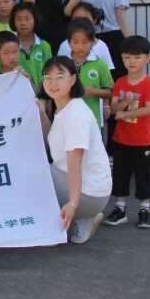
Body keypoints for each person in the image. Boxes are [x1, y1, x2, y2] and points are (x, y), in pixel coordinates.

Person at [39, 57, 112, 245]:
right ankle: (83, 219)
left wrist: (72, 203)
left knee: (34, 169)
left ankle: (59, 225)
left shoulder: (76, 114)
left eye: (59, 77)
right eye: (48, 77)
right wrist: (41, 114)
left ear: (73, 79)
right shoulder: (64, 108)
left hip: (88, 193)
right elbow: (51, 142)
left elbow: (74, 161)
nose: (53, 83)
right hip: (87, 190)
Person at [104, 35, 150, 230]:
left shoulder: (149, 83)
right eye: (127, 57)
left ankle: (145, 210)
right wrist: (125, 103)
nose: (132, 61)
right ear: (122, 58)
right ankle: (120, 208)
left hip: (143, 140)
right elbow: (113, 108)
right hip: (122, 138)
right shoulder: (120, 82)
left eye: (137, 57)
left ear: (147, 59)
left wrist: (125, 113)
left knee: (143, 174)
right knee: (120, 173)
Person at [67, 19, 114, 128]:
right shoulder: (63, 63)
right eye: (75, 42)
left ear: (92, 42)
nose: (80, 46)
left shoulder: (100, 64)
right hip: (68, 119)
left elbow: (110, 91)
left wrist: (93, 91)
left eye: (85, 42)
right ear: (69, 42)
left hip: (92, 119)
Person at [56, 3, 115, 70]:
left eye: (85, 19)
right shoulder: (65, 45)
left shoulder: (101, 46)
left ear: (94, 21)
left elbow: (108, 71)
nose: (81, 23)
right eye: (77, 19)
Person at [11, 2, 52, 87]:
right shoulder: (10, 46)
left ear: (35, 20)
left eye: (27, 19)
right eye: (18, 19)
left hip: (41, 93)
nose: (23, 23)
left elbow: (50, 73)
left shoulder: (44, 46)